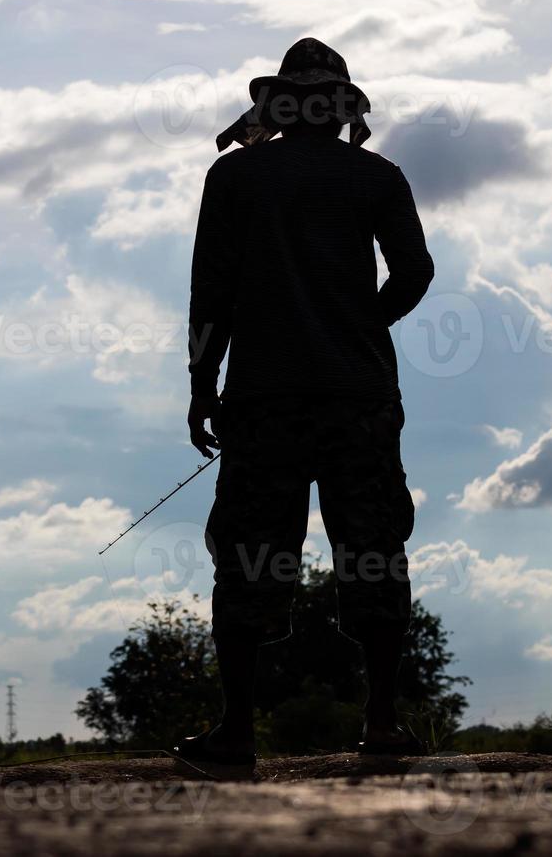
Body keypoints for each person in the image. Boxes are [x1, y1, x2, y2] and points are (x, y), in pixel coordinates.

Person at [177, 39, 435, 766]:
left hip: (264, 400)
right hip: (360, 397)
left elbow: (212, 290)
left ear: (279, 104)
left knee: (250, 560)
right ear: (343, 106)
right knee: (376, 553)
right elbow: (414, 272)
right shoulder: (377, 176)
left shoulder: (235, 178)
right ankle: (381, 724)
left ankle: (235, 733)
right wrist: (362, 320)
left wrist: (202, 385)